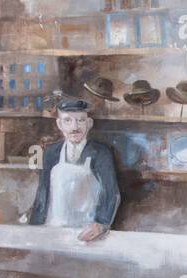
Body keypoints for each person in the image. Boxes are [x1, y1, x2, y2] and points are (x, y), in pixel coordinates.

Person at [26, 98, 120, 241]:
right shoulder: (51, 152)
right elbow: (43, 191)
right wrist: (33, 227)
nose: (75, 127)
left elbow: (111, 193)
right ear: (59, 124)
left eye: (81, 120)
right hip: (52, 229)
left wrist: (101, 223)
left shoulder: (101, 152)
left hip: (86, 233)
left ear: (89, 123)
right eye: (68, 121)